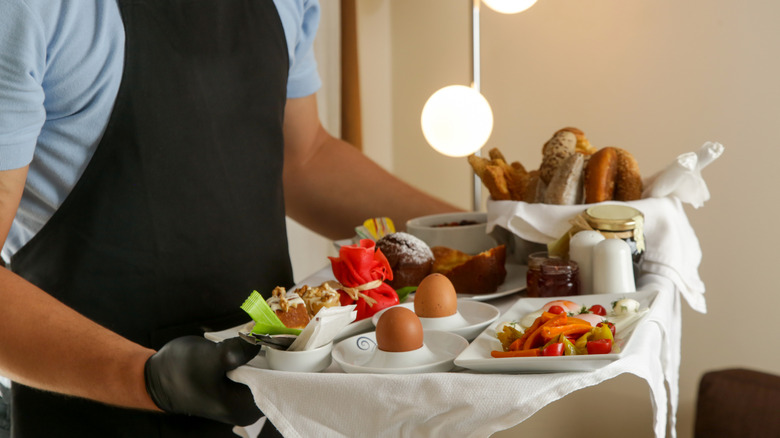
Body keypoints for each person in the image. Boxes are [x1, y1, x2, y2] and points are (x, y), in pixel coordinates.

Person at [0, 1, 460, 437]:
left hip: (269, 404)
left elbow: (304, 157)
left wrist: (476, 233)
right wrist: (152, 379)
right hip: (89, 413)